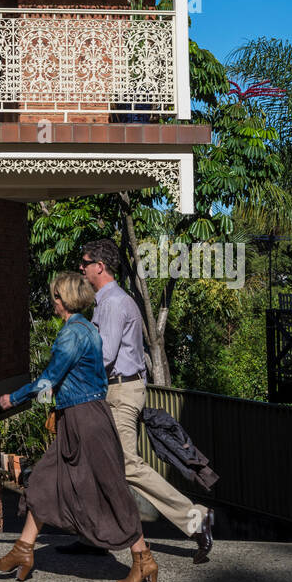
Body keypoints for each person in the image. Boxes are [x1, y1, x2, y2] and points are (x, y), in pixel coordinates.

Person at [0, 272, 159, 582]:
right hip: (81, 417)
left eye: (55, 296)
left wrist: (13, 398)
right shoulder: (87, 329)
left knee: (111, 488)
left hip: (86, 421)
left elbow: (49, 379)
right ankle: (23, 551)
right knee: (42, 480)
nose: (52, 302)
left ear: (63, 299)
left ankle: (144, 558)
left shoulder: (72, 335)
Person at [71, 237, 213, 564]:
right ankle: (94, 536)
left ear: (100, 267)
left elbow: (103, 357)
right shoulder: (109, 301)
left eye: (85, 262)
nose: (81, 267)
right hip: (117, 390)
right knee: (96, 463)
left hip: (119, 393)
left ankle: (197, 517)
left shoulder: (113, 303)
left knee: (127, 466)